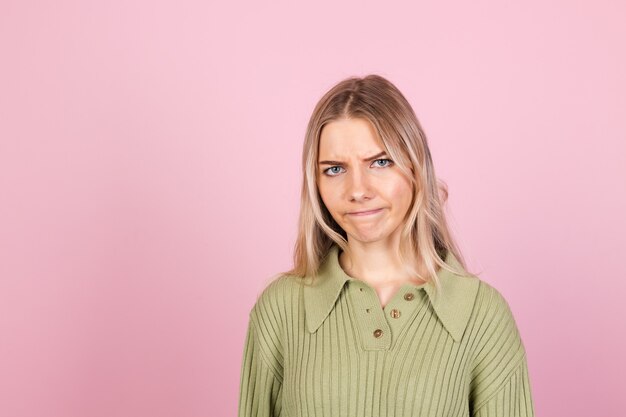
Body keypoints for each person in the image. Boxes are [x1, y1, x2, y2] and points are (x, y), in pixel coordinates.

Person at [238, 74, 536, 417]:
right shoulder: (281, 309)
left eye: (380, 162)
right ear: (315, 183)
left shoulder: (481, 315)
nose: (358, 189)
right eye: (335, 169)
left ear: (415, 167)